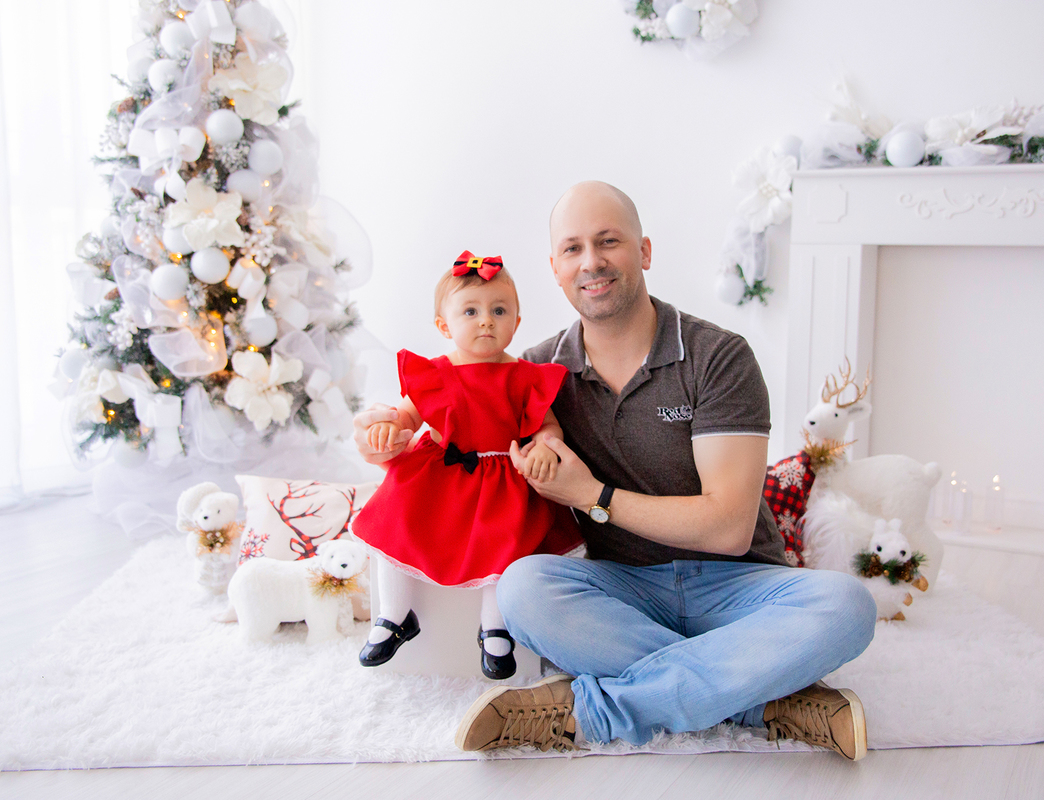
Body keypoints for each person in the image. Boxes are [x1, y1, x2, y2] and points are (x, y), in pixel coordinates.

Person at [354, 183, 877, 759]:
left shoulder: (717, 355)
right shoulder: (534, 373)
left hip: (740, 585)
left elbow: (728, 528)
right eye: (573, 248)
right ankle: (758, 695)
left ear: (645, 251)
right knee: (526, 588)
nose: (592, 261)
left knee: (846, 607)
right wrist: (385, 436)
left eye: (610, 242)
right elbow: (451, 438)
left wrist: (591, 494)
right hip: (617, 592)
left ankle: (603, 709)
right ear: (554, 269)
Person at [350, 252, 582, 680]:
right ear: (444, 325)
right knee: (393, 524)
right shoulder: (437, 374)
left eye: (499, 311)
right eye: (470, 311)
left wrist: (548, 446)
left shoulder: (524, 375)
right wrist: (388, 426)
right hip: (438, 475)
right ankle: (395, 617)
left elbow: (547, 426)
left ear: (515, 322)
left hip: (502, 480)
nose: (486, 321)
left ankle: (495, 626)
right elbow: (407, 416)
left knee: (508, 545)